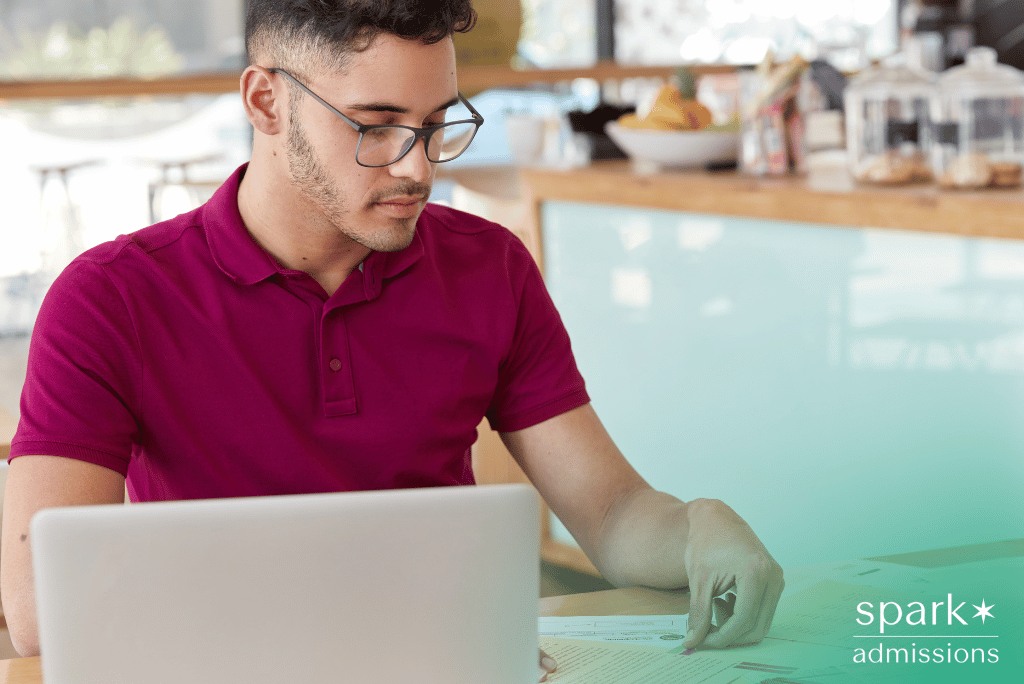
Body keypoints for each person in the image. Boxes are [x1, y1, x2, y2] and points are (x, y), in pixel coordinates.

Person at [1, 0, 784, 675]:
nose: (417, 167)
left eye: (438, 123)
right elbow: (41, 614)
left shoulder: (491, 269)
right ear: (267, 103)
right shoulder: (109, 301)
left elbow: (612, 516)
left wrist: (694, 527)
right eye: (376, 126)